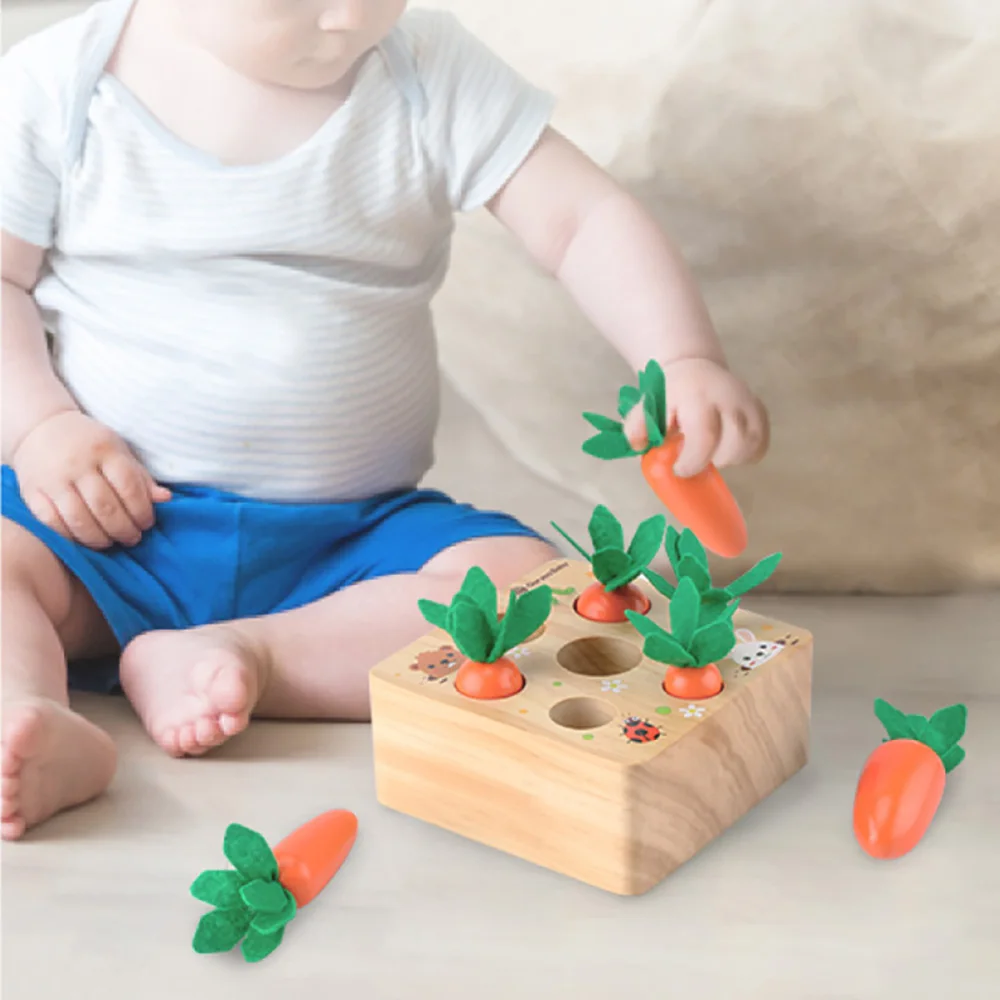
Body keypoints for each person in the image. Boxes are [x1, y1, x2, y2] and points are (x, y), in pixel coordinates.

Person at [0, 0, 769, 840]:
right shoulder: (56, 85)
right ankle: (27, 716)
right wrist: (39, 427)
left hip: (351, 547)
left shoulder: (425, 67)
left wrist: (682, 355)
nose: (346, 16)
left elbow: (580, 218)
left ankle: (254, 655)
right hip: (108, 527)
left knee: (540, 597)